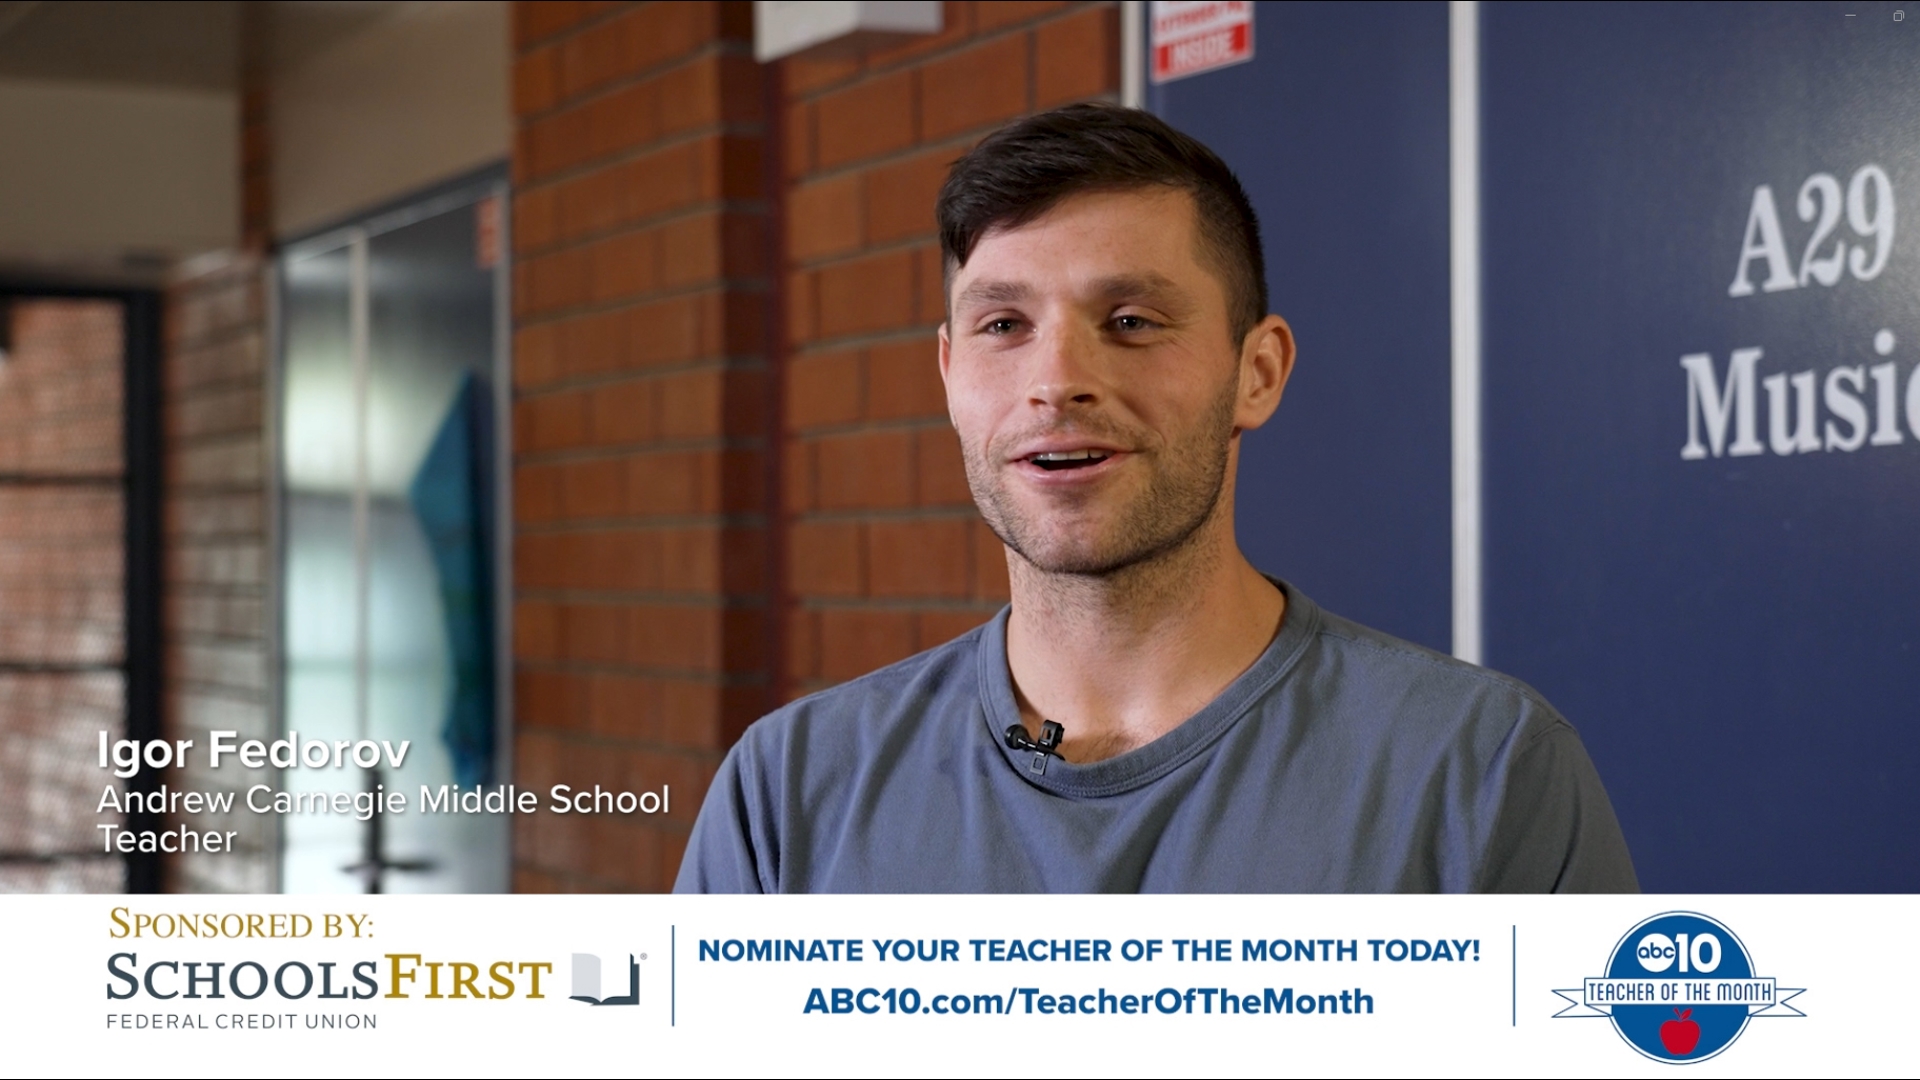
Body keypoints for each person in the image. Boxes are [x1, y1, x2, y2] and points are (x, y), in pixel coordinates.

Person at [675, 104, 1636, 893]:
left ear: (1257, 373)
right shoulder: (791, 793)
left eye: (1131, 321)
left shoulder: (1479, 773)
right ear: (948, 372)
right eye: (1003, 324)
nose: (1056, 380)